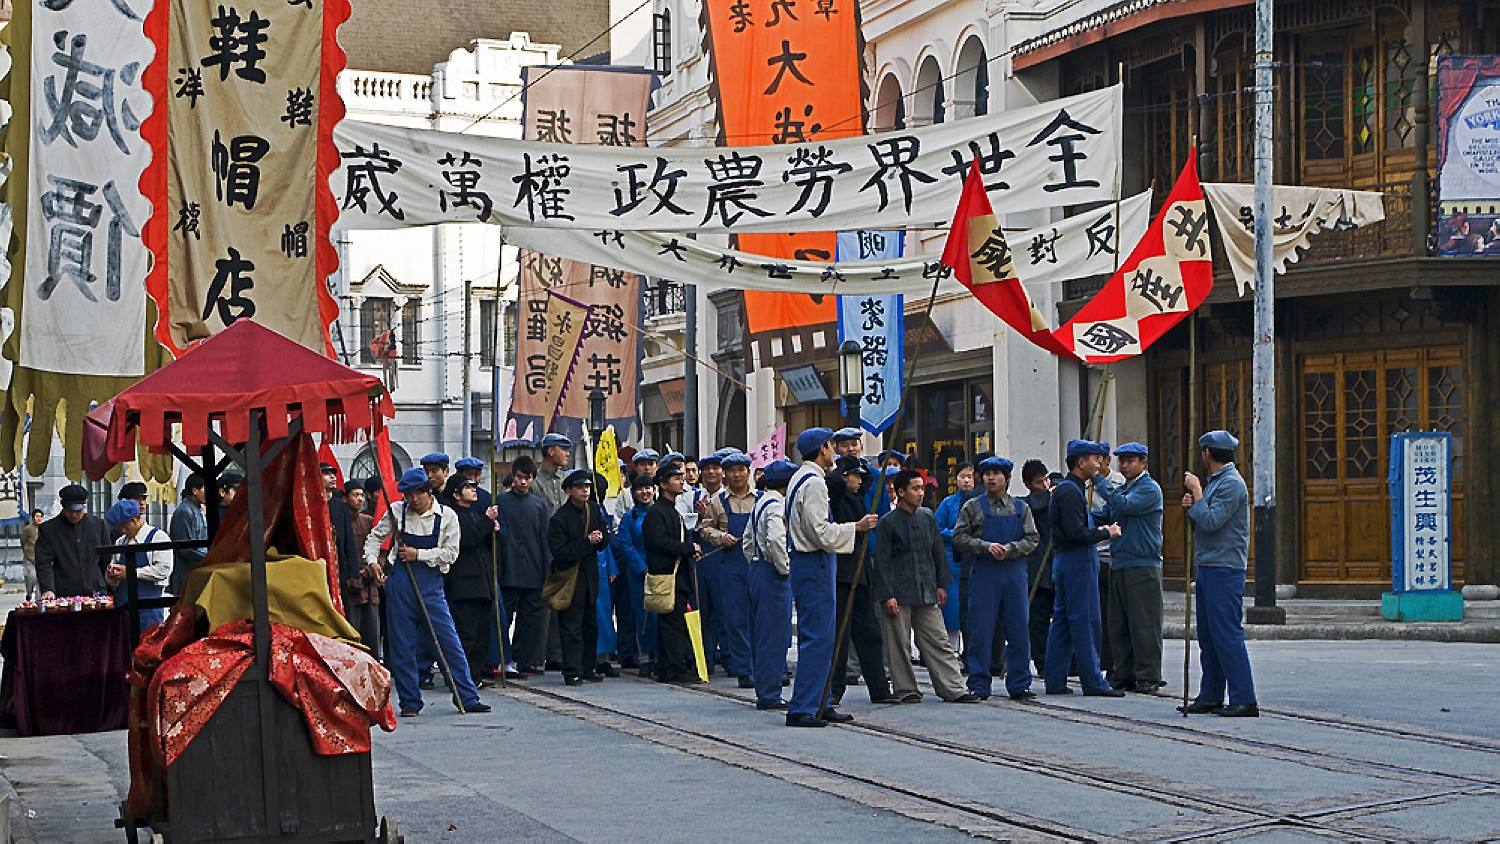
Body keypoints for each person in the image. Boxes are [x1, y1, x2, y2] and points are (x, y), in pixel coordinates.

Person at [363, 467, 491, 717]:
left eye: (416, 495)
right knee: (402, 644)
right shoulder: (397, 511)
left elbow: (450, 554)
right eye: (408, 495)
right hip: (400, 582)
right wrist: (372, 561)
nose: (412, 500)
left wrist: (418, 554)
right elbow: (374, 538)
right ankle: (410, 701)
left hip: (431, 582)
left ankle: (466, 696)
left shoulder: (447, 516)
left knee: (448, 641)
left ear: (428, 492)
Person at [784, 428, 878, 727]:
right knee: (818, 637)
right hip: (814, 562)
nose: (834, 453)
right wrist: (855, 528)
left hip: (811, 561)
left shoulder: (801, 478)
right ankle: (803, 706)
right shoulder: (813, 483)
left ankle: (820, 700)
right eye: (830, 447)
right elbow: (819, 531)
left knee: (824, 636)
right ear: (822, 448)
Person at [873, 470, 981, 705]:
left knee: (939, 640)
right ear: (901, 492)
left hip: (926, 589)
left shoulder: (927, 517)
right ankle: (906, 688)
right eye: (915, 488)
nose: (920, 493)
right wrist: (887, 594)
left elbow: (937, 553)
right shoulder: (887, 523)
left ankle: (952, 688)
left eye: (922, 488)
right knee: (899, 645)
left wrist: (941, 584)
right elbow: (881, 562)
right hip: (898, 593)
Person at [1180, 431, 1259, 718]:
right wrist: (1192, 509)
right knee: (1209, 636)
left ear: (1207, 454)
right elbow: (1202, 519)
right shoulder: (1218, 483)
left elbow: (1212, 521)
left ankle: (1244, 697)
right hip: (1208, 564)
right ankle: (1211, 694)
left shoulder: (1231, 485)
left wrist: (1198, 494)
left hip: (1225, 568)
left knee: (1226, 634)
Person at [952, 457, 1040, 700]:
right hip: (984, 574)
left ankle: (1020, 683)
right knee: (980, 629)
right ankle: (979, 683)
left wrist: (1011, 549)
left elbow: (1033, 539)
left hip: (1014, 575)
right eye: (987, 473)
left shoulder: (1021, 508)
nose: (991, 478)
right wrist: (984, 546)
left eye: (996, 474)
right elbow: (958, 538)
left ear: (1007, 479)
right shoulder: (973, 507)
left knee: (1019, 629)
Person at [1045, 440, 1125, 697]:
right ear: (1081, 462)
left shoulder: (1069, 489)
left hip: (1068, 561)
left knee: (1064, 621)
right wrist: (1106, 532)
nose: (1098, 463)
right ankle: (1093, 681)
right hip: (1076, 561)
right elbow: (1076, 532)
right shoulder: (1070, 492)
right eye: (1094, 459)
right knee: (1086, 620)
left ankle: (1055, 679)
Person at [1093, 443, 1165, 693]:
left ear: (1143, 462)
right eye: (1122, 461)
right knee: (1119, 623)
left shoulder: (1149, 489)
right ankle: (1123, 672)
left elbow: (1123, 506)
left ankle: (1148, 675)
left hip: (1142, 563)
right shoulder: (1124, 488)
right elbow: (1106, 513)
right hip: (1120, 561)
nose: (1124, 465)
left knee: (1144, 623)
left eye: (1130, 461)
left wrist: (1099, 481)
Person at [827, 456, 895, 706]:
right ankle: (834, 688)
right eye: (854, 476)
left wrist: (870, 470)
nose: (858, 481)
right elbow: (833, 482)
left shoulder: (859, 498)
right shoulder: (834, 497)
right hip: (841, 573)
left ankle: (879, 688)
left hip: (861, 571)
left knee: (870, 631)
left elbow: (869, 480)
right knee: (840, 636)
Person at [698, 451, 757, 686]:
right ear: (726, 474)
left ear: (748, 472)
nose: (737, 474)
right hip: (730, 564)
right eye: (732, 470)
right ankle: (743, 669)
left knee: (760, 617)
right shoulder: (717, 501)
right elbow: (704, 528)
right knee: (735, 619)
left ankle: (765, 666)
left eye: (741, 469)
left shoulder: (761, 498)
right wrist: (721, 537)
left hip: (756, 563)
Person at [548, 470, 611, 685]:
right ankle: (572, 670)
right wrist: (587, 542)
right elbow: (561, 551)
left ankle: (587, 667)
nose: (585, 491)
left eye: (587, 487)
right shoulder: (560, 518)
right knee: (571, 627)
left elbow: (604, 536)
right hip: (570, 578)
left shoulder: (593, 509)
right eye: (579, 487)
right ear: (569, 491)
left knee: (590, 626)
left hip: (590, 577)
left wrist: (600, 539)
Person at [742, 459, 795, 710]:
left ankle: (763, 686)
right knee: (774, 635)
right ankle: (770, 693)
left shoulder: (760, 502)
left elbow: (746, 541)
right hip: (772, 573)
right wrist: (785, 567)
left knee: (760, 633)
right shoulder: (777, 505)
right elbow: (775, 539)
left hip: (756, 568)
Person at [643, 463, 701, 684]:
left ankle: (668, 665)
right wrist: (688, 548)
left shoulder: (672, 510)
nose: (681, 481)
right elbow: (659, 542)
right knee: (672, 623)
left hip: (678, 574)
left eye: (681, 478)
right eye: (675, 478)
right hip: (668, 575)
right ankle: (673, 668)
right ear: (662, 483)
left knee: (672, 622)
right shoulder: (657, 513)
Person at [496, 455, 552, 678]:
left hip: (533, 570)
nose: (523, 482)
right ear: (514, 476)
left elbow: (544, 539)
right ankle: (503, 658)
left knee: (530, 620)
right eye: (519, 477)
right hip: (508, 570)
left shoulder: (539, 506)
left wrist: (547, 569)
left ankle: (526, 660)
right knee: (505, 617)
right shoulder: (500, 501)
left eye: (527, 478)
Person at [444, 474, 499, 689]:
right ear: (456, 493)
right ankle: (458, 677)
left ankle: (474, 675)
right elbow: (467, 539)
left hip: (482, 581)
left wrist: (493, 530)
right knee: (466, 633)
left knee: (481, 634)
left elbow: (483, 542)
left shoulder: (474, 514)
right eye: (468, 487)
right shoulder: (453, 516)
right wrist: (487, 522)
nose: (474, 490)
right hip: (464, 584)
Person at [103, 500, 173, 631]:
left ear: (136, 519)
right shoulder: (120, 542)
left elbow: (163, 571)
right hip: (123, 608)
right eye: (118, 527)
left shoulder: (158, 538)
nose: (122, 530)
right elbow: (114, 581)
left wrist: (131, 572)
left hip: (149, 609)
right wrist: (112, 576)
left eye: (124, 525)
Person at [35, 484, 111, 599]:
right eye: (70, 511)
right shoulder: (48, 530)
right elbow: (43, 563)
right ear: (63, 507)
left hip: (95, 590)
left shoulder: (98, 525)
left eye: (78, 511)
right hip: (64, 593)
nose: (74, 515)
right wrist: (48, 589)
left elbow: (105, 558)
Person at [935, 463, 978, 655]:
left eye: (970, 476)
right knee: (951, 607)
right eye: (962, 476)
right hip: (951, 560)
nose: (966, 480)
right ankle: (951, 650)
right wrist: (955, 534)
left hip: (974, 560)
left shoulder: (980, 502)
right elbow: (936, 527)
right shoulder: (948, 503)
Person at [690, 451, 727, 673]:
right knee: (703, 611)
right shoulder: (691, 497)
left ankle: (730, 657)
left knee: (725, 610)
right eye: (707, 469)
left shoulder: (727, 498)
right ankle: (706, 658)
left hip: (723, 557)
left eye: (716, 468)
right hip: (700, 558)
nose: (711, 472)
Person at [1020, 460, 1056, 675]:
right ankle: (1042, 663)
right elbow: (1034, 504)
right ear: (1028, 484)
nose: (1043, 485)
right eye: (1037, 482)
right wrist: (1048, 495)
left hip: (1056, 566)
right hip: (1038, 570)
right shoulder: (1028, 504)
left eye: (1045, 480)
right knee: (1038, 621)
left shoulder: (1056, 496)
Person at [343, 480, 382, 655]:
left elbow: (380, 549)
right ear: (346, 498)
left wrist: (369, 570)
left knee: (372, 633)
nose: (359, 499)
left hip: (369, 583)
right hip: (349, 584)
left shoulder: (368, 521)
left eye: (360, 495)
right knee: (351, 633)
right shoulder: (340, 521)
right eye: (355, 495)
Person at [323, 462, 363, 621]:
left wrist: (353, 570)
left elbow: (348, 539)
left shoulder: (339, 505)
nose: (333, 477)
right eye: (327, 473)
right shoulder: (311, 501)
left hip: (339, 564)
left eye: (333, 473)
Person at [167, 477, 208, 596]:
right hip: (185, 573)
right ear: (195, 491)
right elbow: (185, 547)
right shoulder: (184, 511)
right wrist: (207, 558)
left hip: (197, 569)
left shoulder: (197, 510)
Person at [20, 509, 43, 601]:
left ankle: (38, 600)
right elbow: (23, 541)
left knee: (40, 580)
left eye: (40, 516)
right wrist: (26, 551)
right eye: (37, 516)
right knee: (32, 577)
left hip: (40, 558)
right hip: (29, 558)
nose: (39, 518)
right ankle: (29, 593)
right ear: (33, 518)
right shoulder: (28, 529)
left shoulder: (44, 528)